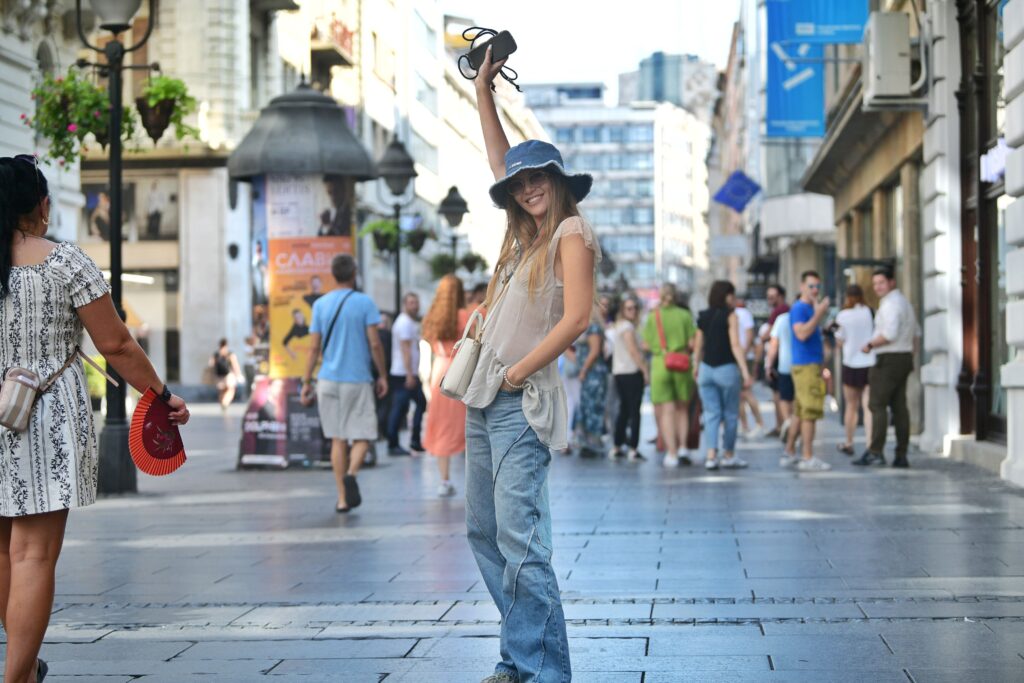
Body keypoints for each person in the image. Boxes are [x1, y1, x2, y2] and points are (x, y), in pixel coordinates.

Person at [0, 155, 190, 683]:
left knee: (2, 549)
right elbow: (117, 345)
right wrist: (161, 395)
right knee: (33, 554)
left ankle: (24, 667)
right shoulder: (66, 262)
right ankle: (17, 678)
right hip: (43, 415)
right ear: (40, 206)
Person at [460, 46, 599, 683]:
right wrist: (484, 89)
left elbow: (578, 319)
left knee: (521, 540)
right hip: (483, 398)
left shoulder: (571, 234)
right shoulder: (523, 237)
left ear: (560, 178)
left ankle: (544, 672)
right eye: (520, 182)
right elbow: (498, 157)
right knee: (484, 533)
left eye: (539, 175)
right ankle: (519, 658)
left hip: (519, 400)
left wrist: (517, 374)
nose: (528, 185)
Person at [300, 254, 388, 512]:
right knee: (363, 435)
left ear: (332, 274)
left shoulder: (320, 305)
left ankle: (341, 498)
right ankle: (351, 473)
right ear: (354, 273)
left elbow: (313, 347)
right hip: (357, 379)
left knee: (338, 439)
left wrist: (306, 381)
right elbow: (374, 343)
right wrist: (382, 374)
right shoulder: (364, 303)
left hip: (327, 379)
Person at [855, 268, 918, 468]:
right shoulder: (905, 303)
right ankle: (901, 454)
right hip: (904, 356)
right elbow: (917, 334)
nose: (877, 287)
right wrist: (909, 355)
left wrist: (870, 345)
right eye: (875, 284)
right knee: (900, 407)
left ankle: (875, 451)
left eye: (881, 283)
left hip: (889, 358)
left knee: (877, 404)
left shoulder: (891, 304)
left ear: (891, 282)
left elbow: (889, 334)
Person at [692, 281, 752, 470]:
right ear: (725, 296)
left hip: (706, 370)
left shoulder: (703, 316)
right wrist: (744, 370)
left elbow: (698, 345)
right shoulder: (731, 316)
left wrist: (696, 366)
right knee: (730, 414)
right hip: (726, 369)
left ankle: (711, 456)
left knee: (711, 414)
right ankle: (728, 454)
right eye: (732, 296)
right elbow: (735, 345)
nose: (734, 300)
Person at [421, 275, 471, 497]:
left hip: (439, 372)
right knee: (468, 425)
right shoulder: (466, 316)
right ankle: (474, 478)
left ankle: (444, 480)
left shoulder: (433, 317)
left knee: (442, 425)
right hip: (461, 371)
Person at [641, 283, 697, 467]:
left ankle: (671, 453)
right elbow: (691, 343)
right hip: (681, 364)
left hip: (660, 364)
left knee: (667, 411)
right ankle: (683, 448)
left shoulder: (653, 316)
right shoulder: (685, 315)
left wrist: (661, 348)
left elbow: (645, 345)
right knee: (682, 410)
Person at [788, 270, 833, 471]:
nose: (815, 290)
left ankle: (789, 450)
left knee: (800, 411)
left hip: (810, 364)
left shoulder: (809, 308)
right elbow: (802, 333)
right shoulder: (800, 308)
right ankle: (807, 456)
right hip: (806, 365)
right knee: (810, 412)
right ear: (802, 287)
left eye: (817, 287)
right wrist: (819, 314)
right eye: (811, 286)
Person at [833, 284, 875, 456]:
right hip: (869, 362)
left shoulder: (842, 315)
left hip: (850, 363)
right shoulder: (870, 312)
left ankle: (849, 442)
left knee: (851, 406)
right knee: (868, 407)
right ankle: (870, 443)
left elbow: (839, 341)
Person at [387, 292, 427, 456]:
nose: (415, 306)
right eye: (411, 303)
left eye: (416, 302)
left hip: (407, 372)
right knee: (400, 407)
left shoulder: (410, 323)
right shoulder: (404, 323)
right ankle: (394, 443)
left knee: (418, 404)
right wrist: (410, 375)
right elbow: (405, 350)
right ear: (405, 304)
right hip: (403, 373)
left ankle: (414, 440)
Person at [611, 297, 649, 460]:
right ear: (622, 310)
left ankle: (617, 445)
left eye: (634, 308)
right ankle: (633, 447)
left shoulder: (620, 327)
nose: (632, 311)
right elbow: (633, 351)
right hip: (631, 372)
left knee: (625, 410)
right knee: (634, 411)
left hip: (620, 372)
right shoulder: (627, 327)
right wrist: (645, 370)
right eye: (628, 308)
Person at [573, 310, 608, 457]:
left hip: (593, 374)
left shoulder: (593, 328)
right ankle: (587, 442)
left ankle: (593, 443)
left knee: (594, 407)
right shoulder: (589, 327)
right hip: (589, 374)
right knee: (587, 406)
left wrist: (584, 370)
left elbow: (594, 351)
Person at [766, 303, 797, 462]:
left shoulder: (781, 319)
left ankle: (787, 421)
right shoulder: (804, 318)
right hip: (801, 365)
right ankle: (791, 423)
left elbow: (773, 344)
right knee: (797, 400)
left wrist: (768, 364)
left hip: (785, 364)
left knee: (785, 398)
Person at [761, 284, 790, 436]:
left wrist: (768, 364)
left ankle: (783, 425)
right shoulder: (782, 311)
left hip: (780, 358)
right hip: (783, 357)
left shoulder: (780, 312)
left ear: (780, 296)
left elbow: (769, 336)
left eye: (772, 297)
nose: (770, 300)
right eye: (768, 297)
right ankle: (781, 425)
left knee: (780, 395)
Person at [734, 298, 765, 439]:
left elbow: (749, 334)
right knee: (740, 394)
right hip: (741, 356)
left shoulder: (742, 313)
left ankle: (759, 423)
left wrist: (744, 354)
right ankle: (744, 425)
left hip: (744, 357)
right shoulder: (736, 313)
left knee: (746, 392)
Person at [209, 338, 243, 411]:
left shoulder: (216, 354)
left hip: (219, 375)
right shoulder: (230, 353)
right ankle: (225, 403)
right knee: (231, 389)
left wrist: (212, 375)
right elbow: (235, 364)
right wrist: (238, 374)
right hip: (228, 375)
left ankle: (222, 403)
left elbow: (211, 365)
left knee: (222, 390)